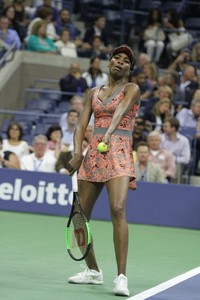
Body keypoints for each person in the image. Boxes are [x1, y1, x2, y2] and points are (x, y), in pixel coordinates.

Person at [66, 44, 140, 296]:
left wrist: (107, 134)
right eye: (116, 58)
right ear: (108, 64)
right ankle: (93, 271)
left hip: (118, 152)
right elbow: (80, 124)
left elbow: (120, 111)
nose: (120, 62)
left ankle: (121, 277)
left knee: (117, 209)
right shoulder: (93, 92)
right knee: (78, 216)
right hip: (94, 156)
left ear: (130, 69)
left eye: (126, 61)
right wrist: (77, 153)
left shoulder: (132, 89)